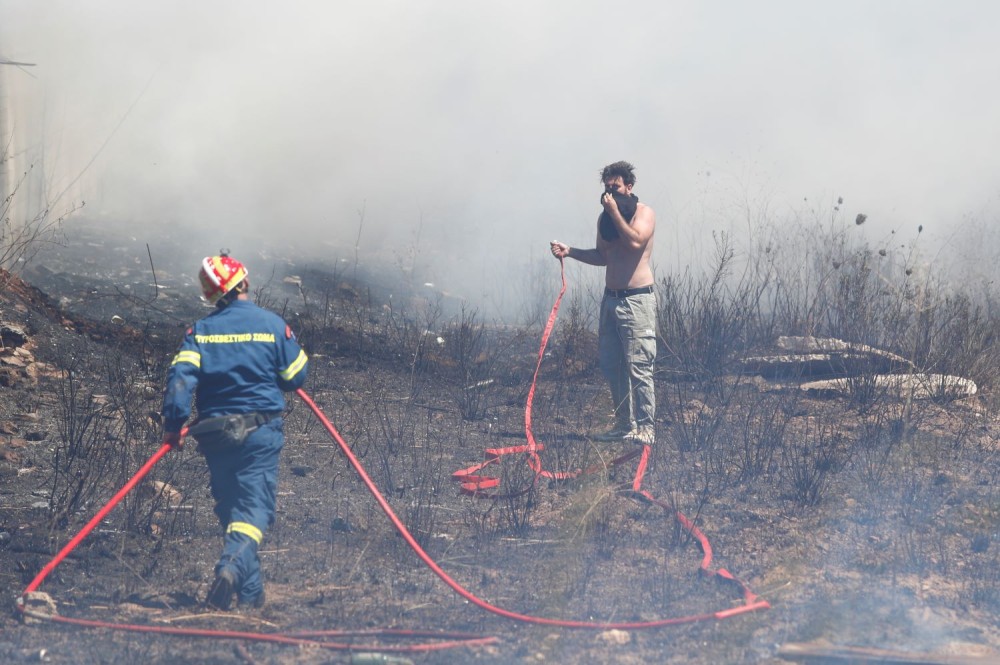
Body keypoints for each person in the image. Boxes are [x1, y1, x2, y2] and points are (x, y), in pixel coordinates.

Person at [160, 253, 308, 610]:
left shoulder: (200, 332)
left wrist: (173, 425)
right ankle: (229, 567)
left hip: (214, 434)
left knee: (231, 509)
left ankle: (251, 594)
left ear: (211, 294)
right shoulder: (272, 325)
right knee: (254, 510)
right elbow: (295, 378)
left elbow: (180, 381)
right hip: (259, 431)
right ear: (244, 282)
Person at [550, 160, 657, 446]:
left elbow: (635, 242)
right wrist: (569, 251)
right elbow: (602, 256)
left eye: (616, 186)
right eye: (607, 187)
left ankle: (646, 428)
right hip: (610, 301)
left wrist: (613, 212)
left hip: (636, 301)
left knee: (639, 366)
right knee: (613, 365)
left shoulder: (644, 214)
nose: (610, 192)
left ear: (629, 187)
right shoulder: (605, 220)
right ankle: (624, 425)